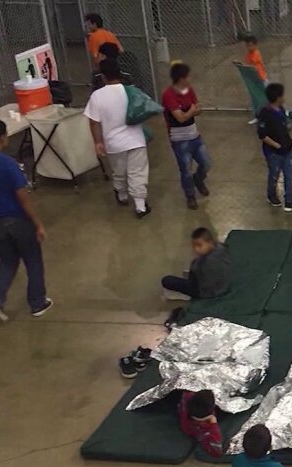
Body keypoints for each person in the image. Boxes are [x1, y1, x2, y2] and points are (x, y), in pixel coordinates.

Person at [0, 118, 52, 322]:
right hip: (17, 220)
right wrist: (37, 223)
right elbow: (22, 196)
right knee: (33, 260)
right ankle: (38, 303)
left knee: (7, 259)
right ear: (2, 138)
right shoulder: (7, 163)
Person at [85, 59, 150, 218]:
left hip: (113, 143)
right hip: (136, 140)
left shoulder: (97, 96)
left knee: (118, 171)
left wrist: (98, 142)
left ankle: (122, 196)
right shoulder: (131, 91)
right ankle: (140, 207)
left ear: (103, 77)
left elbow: (94, 122)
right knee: (138, 172)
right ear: (120, 74)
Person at [162, 62, 211, 210]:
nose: (190, 79)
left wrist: (190, 111)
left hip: (194, 135)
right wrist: (191, 111)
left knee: (206, 163)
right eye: (187, 76)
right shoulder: (168, 95)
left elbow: (197, 108)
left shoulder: (189, 90)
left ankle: (199, 179)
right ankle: (190, 195)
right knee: (186, 169)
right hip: (179, 139)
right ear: (180, 78)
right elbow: (180, 118)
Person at [257, 83, 292, 213]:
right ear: (278, 97)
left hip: (287, 150)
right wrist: (277, 145)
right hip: (273, 153)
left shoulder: (281, 109)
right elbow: (262, 135)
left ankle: (289, 200)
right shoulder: (265, 113)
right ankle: (271, 194)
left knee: (289, 175)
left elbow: (284, 126)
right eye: (282, 95)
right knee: (274, 174)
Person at [161, 227, 233, 300]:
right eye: (194, 246)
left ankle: (185, 294)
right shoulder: (220, 247)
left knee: (166, 280)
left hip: (208, 291)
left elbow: (203, 282)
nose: (196, 249)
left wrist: (195, 272)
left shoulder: (208, 262)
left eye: (199, 245)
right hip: (222, 284)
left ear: (210, 242)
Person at [178, 389, 223, 458]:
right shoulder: (206, 430)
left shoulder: (186, 400)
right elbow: (217, 451)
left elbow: (187, 395)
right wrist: (213, 424)